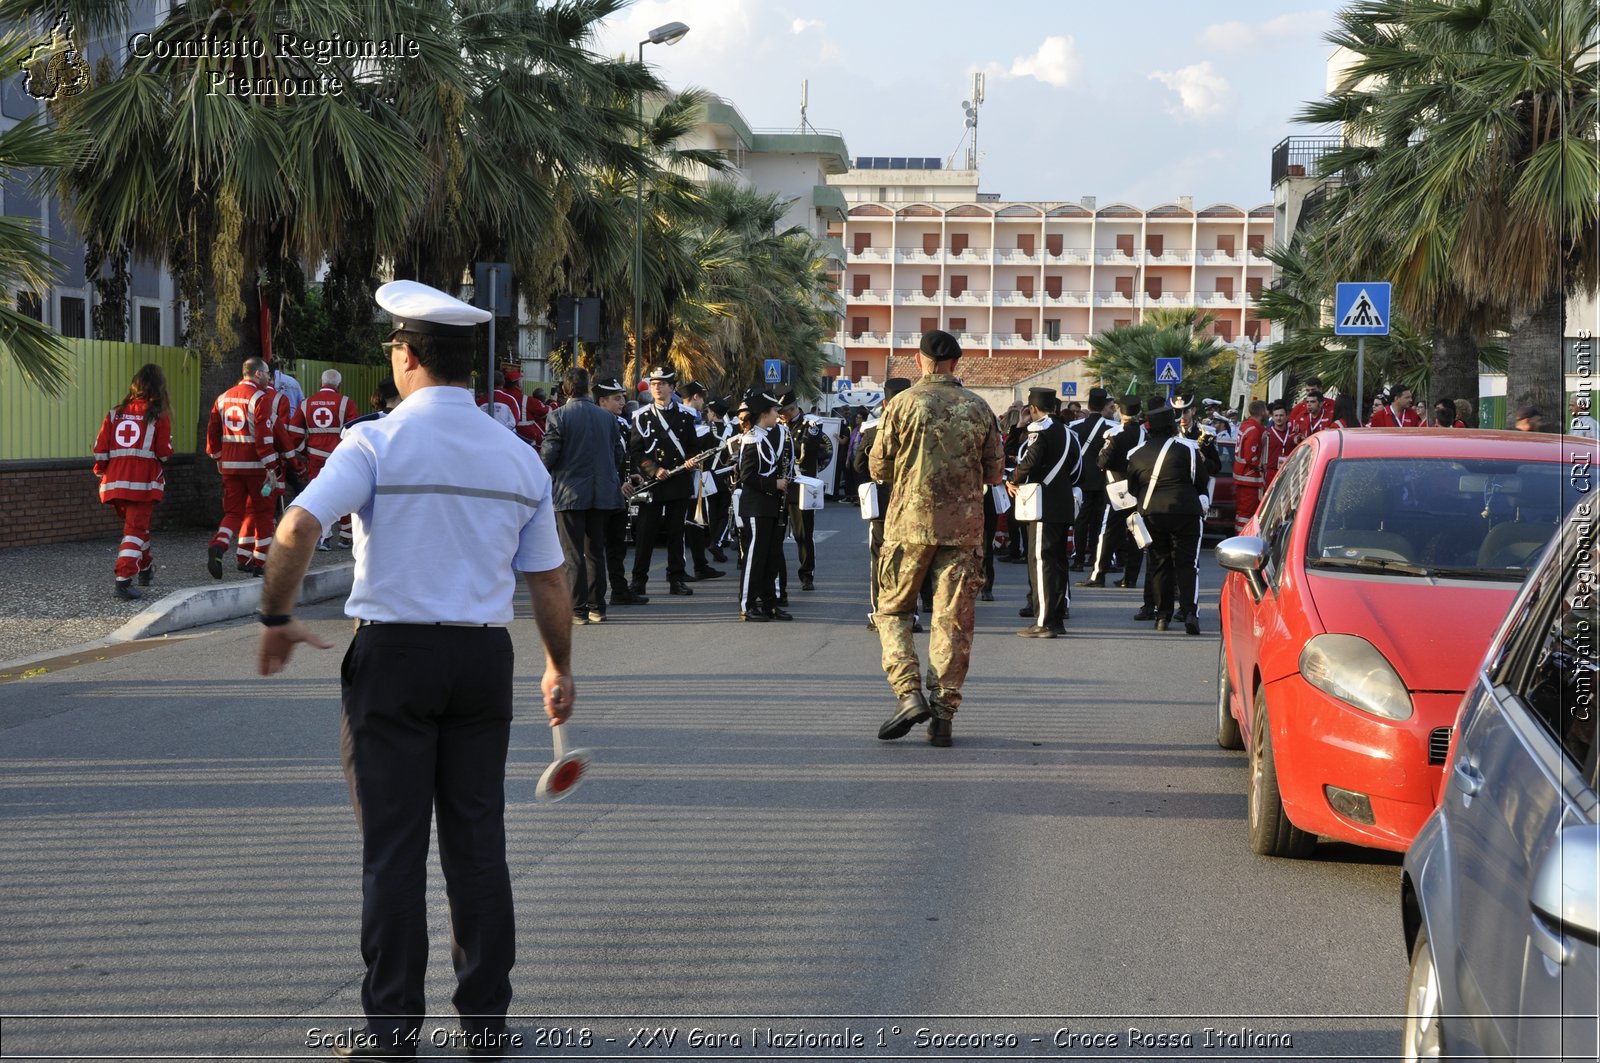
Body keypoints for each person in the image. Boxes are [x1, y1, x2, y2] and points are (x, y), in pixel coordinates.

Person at [255, 280, 574, 1062]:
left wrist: (275, 616)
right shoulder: (518, 455)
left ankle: (393, 1033)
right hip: (479, 661)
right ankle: (486, 1027)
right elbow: (551, 581)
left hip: (391, 658)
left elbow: (297, 524)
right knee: (478, 841)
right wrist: (557, 665)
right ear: (469, 363)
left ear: (405, 356)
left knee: (393, 848)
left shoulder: (373, 443)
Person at [871, 330, 1004, 748]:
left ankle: (908, 694)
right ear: (956, 364)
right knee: (953, 621)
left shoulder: (902, 404)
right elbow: (996, 473)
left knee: (893, 611)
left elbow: (878, 466)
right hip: (963, 529)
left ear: (920, 360)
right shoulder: (980, 408)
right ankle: (943, 717)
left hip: (908, 525)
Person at [541, 366, 624, 625]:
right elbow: (618, 456)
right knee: (596, 550)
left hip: (569, 493)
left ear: (566, 389)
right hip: (602, 494)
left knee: (572, 553)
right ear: (588, 387)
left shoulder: (558, 417)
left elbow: (548, 456)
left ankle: (577, 609)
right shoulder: (607, 418)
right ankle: (598, 606)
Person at [1125, 403, 1212, 635]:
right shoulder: (1188, 449)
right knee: (1187, 564)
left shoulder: (1137, 453)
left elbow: (1132, 489)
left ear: (1150, 428)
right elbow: (1201, 480)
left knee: (1159, 564)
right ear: (1172, 426)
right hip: (1186, 512)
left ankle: (1162, 616)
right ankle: (1190, 612)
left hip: (1152, 513)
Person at [93, 363, 173, 600]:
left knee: (137, 529)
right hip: (142, 483)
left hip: (114, 483)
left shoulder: (115, 413)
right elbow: (164, 453)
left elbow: (100, 450)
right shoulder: (157, 415)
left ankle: (145, 569)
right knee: (135, 531)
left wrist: (101, 472)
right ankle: (123, 580)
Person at [627, 366, 707, 597]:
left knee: (675, 533)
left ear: (672, 387)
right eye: (654, 384)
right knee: (645, 533)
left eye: (662, 384)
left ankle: (676, 578)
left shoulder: (685, 415)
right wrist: (654, 469)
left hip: (678, 481)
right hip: (654, 483)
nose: (657, 387)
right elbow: (636, 451)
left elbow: (693, 445)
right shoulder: (640, 416)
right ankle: (639, 580)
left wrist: (692, 459)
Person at [1009, 387, 1081, 638]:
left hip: (1042, 505)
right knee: (1059, 563)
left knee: (1040, 563)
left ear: (1032, 408)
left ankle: (1043, 621)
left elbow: (1029, 463)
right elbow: (1076, 471)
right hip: (1063, 504)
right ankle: (1057, 618)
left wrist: (1013, 478)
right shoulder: (1070, 434)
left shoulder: (1039, 430)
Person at [205, 357, 281, 579]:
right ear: (257, 374)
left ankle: (219, 544)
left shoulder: (222, 398)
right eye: (267, 373)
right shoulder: (260, 397)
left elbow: (212, 432)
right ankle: (261, 563)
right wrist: (271, 467)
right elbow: (264, 437)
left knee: (233, 513)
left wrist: (218, 457)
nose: (269, 377)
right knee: (264, 514)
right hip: (256, 466)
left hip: (230, 466)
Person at [735, 391, 792, 622]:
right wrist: (774, 483)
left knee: (772, 556)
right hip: (756, 506)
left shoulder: (766, 435)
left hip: (770, 504)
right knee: (755, 557)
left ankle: (770, 603)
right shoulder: (752, 439)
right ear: (764, 414)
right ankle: (747, 604)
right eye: (774, 412)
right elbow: (746, 476)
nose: (778, 415)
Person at [594, 378, 649, 607]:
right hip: (600, 494)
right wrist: (617, 482)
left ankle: (619, 590)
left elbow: (625, 455)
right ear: (602, 401)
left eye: (623, 397)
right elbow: (599, 461)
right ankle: (593, 596)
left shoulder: (623, 424)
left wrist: (633, 474)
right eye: (617, 398)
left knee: (618, 545)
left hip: (620, 494)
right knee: (596, 547)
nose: (622, 402)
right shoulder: (596, 424)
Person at [290, 369, 360, 549]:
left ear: (321, 383)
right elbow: (356, 432)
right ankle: (346, 536)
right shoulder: (346, 403)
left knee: (319, 495)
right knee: (344, 493)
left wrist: (305, 452)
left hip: (315, 458)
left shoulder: (306, 404)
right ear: (339, 385)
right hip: (340, 457)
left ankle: (324, 538)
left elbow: (295, 433)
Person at [779, 392, 834, 592]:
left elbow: (807, 448)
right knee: (776, 534)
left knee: (803, 534)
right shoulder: (777, 426)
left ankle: (806, 574)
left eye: (783, 412)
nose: (781, 416)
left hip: (800, 487)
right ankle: (777, 575)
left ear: (792, 409)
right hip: (780, 487)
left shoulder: (810, 424)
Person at [1070, 388, 1117, 571]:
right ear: (1105, 405)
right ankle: (1097, 558)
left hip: (1081, 480)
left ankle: (1079, 559)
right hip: (1104, 480)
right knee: (1100, 522)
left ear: (1089, 405)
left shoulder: (1075, 426)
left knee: (1081, 521)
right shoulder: (1113, 428)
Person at [1233, 400, 1269, 533]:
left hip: (1243, 476)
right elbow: (1251, 457)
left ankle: (1239, 535)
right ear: (1261, 412)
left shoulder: (1246, 425)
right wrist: (1260, 468)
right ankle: (1243, 538)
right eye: (1266, 410)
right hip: (1249, 478)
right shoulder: (1255, 430)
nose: (1267, 412)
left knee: (1242, 512)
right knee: (1246, 513)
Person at [1262, 400, 1296, 489]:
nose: (1279, 418)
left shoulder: (1293, 433)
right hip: (1271, 473)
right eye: (1276, 415)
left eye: (1281, 415)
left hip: (1288, 471)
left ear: (1287, 417)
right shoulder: (1267, 434)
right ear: (1272, 417)